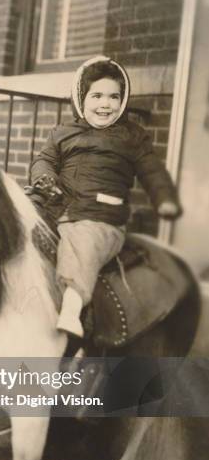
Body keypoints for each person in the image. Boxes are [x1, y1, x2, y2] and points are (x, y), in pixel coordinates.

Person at [28, 56, 181, 350]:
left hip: (101, 214)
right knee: (22, 218)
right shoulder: (63, 133)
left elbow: (151, 169)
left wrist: (164, 198)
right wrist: (45, 179)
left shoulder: (131, 137)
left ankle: (72, 308)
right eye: (96, 95)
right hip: (56, 203)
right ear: (81, 99)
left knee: (83, 242)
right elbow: (43, 160)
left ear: (123, 102)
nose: (105, 103)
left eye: (114, 96)